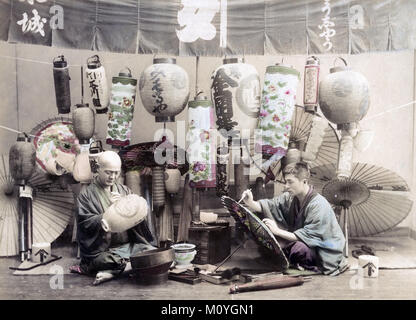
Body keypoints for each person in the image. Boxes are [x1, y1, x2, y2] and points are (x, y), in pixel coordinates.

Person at [241, 162, 348, 275]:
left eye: (290, 182)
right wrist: (250, 202)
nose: (286, 186)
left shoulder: (318, 205)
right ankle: (288, 257)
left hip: (323, 249)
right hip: (303, 240)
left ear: (304, 182)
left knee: (298, 249)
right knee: (264, 226)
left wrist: (277, 231)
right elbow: (271, 205)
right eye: (286, 181)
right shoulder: (291, 197)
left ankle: (296, 260)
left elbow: (308, 236)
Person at [71, 151, 155, 285]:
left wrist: (126, 205)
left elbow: (137, 218)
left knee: (149, 251)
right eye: (108, 172)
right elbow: (84, 223)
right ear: (98, 169)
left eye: (116, 172)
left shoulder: (124, 191)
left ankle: (113, 272)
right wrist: (109, 213)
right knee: (107, 260)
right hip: (101, 251)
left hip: (126, 247)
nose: (113, 177)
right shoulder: (86, 195)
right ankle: (126, 267)